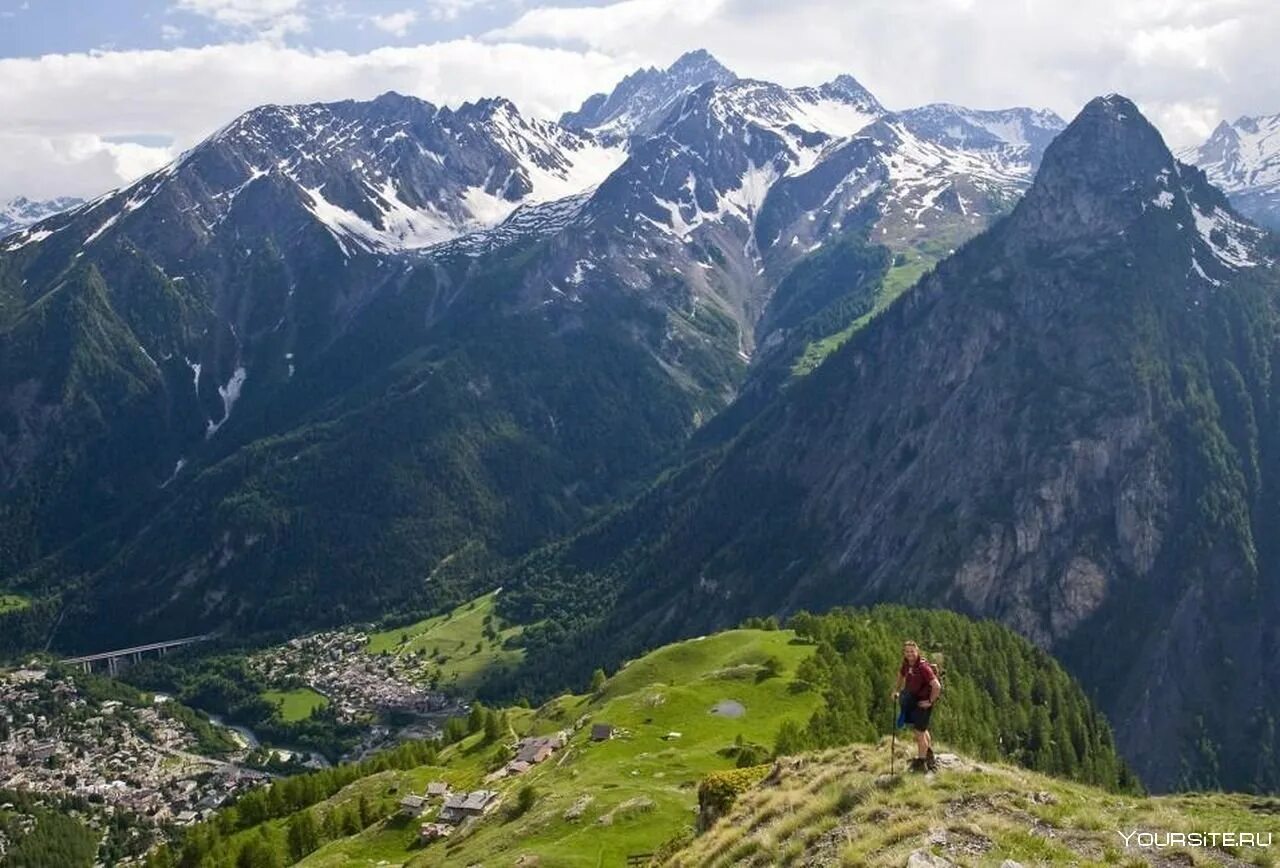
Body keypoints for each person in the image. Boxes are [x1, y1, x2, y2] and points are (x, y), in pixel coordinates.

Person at [892, 640, 941, 771]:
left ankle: (921, 762)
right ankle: (928, 754)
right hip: (914, 701)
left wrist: (930, 701)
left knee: (919, 733)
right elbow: (901, 675)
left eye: (912, 651)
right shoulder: (907, 664)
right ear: (904, 652)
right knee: (921, 730)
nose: (909, 654)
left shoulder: (923, 667)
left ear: (917, 652)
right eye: (907, 651)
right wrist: (896, 690)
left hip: (922, 704)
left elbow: (937, 686)